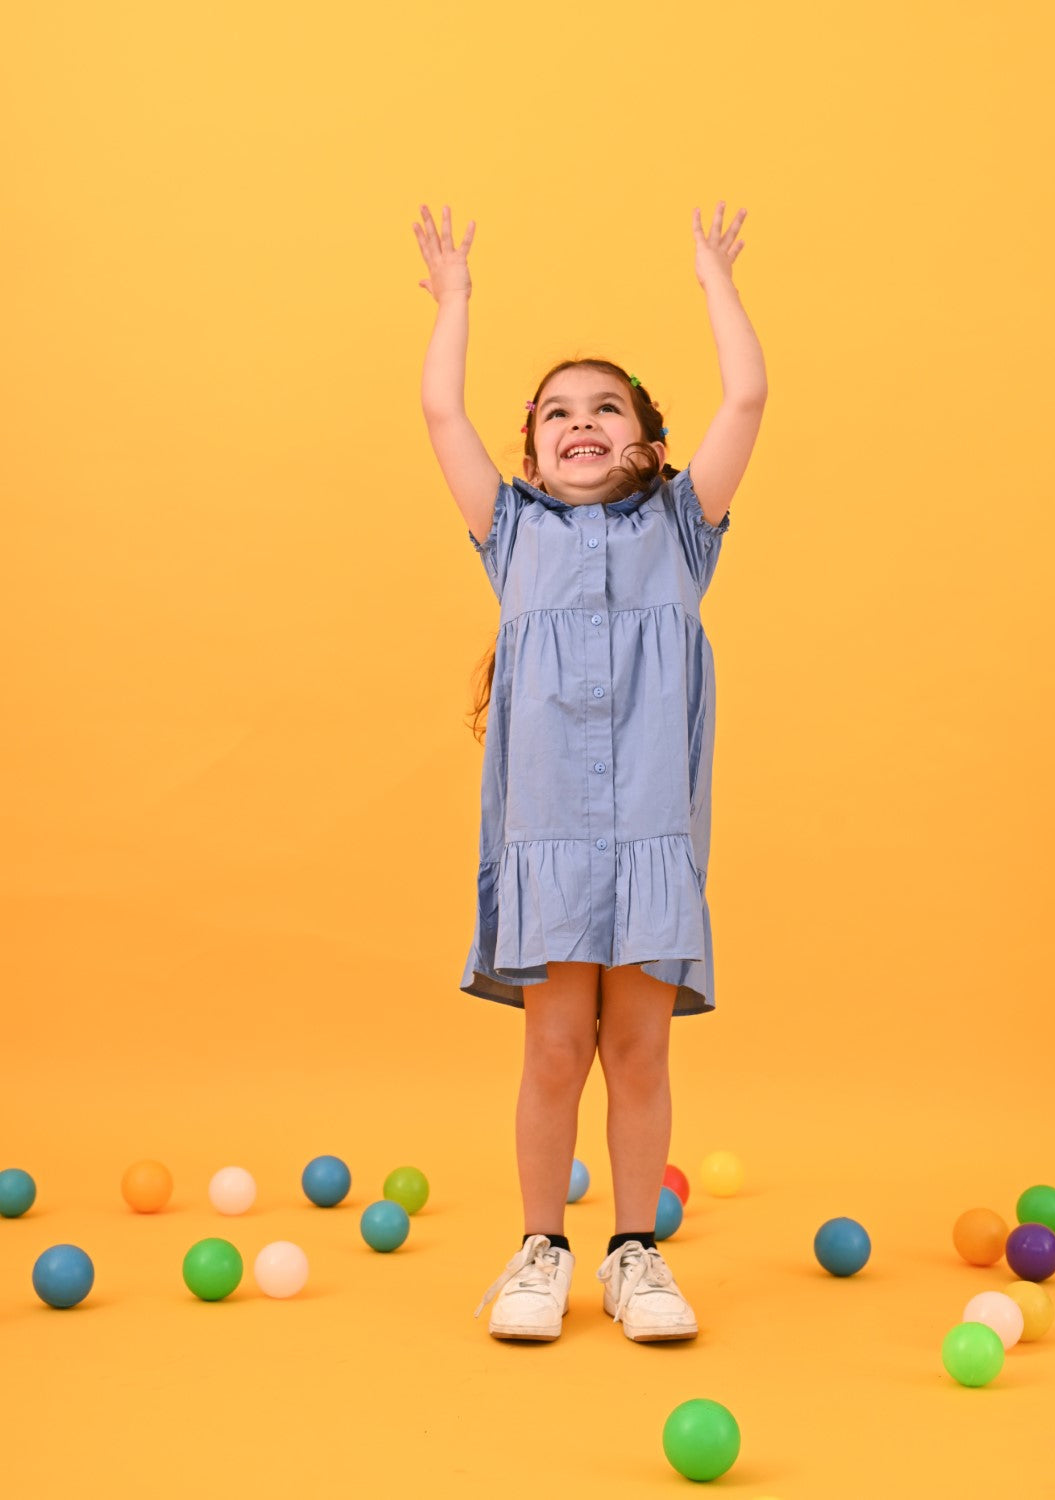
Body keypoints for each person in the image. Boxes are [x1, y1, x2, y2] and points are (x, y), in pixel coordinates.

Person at [413, 202, 767, 1342]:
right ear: (532, 453)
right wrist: (456, 300)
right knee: (557, 1045)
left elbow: (748, 399)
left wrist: (714, 278)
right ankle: (537, 1252)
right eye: (556, 413)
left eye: (604, 408)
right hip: (554, 840)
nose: (578, 423)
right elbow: (437, 413)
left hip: (652, 839)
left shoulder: (682, 525)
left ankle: (634, 1253)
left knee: (641, 1046)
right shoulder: (513, 534)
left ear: (647, 447)